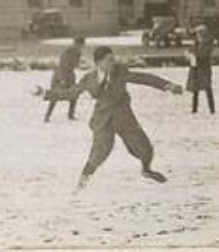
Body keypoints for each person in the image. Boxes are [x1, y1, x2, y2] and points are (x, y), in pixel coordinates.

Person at [66, 46, 183, 190]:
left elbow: (142, 78)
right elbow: (71, 93)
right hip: (103, 120)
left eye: (113, 59)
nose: (113, 62)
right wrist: (45, 93)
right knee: (99, 154)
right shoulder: (89, 78)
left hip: (124, 117)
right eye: (109, 60)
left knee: (145, 148)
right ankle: (82, 182)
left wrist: (167, 85)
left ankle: (146, 170)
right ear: (99, 63)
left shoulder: (120, 71)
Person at [43, 37, 85, 122]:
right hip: (60, 75)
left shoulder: (78, 54)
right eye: (78, 44)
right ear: (75, 43)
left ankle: (71, 114)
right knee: (55, 95)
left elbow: (75, 65)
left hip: (70, 75)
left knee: (74, 94)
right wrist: (62, 78)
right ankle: (47, 116)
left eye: (81, 45)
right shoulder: (68, 52)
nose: (79, 47)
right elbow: (63, 65)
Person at [187, 29, 216, 115]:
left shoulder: (207, 46)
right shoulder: (196, 45)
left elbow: (203, 55)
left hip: (204, 70)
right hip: (195, 70)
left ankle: (212, 109)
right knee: (195, 90)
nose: (199, 38)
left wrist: (194, 54)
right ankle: (194, 109)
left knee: (208, 89)